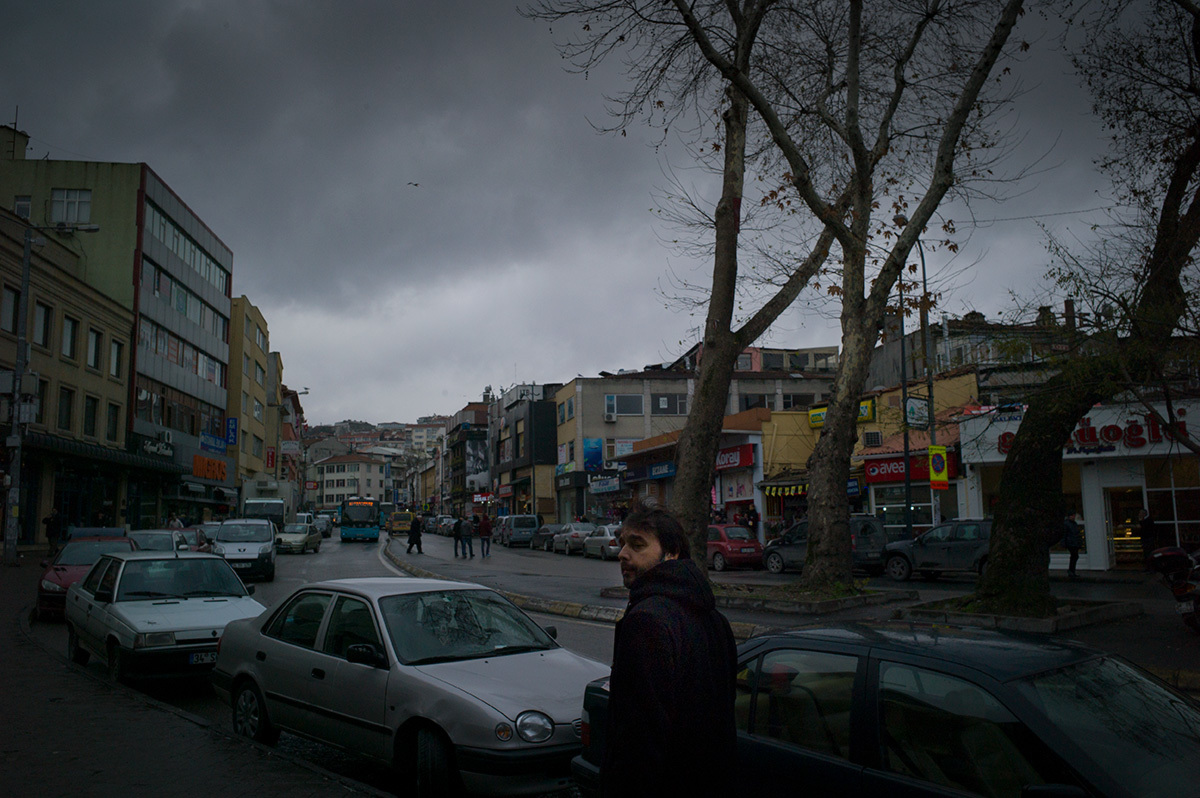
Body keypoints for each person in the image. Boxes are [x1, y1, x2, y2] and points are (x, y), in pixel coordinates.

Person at [602, 502, 737, 798]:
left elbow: (639, 741)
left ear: (672, 554)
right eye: (623, 543)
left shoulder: (646, 622)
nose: (623, 553)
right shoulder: (716, 620)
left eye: (637, 545)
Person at [1062, 511, 1083, 578]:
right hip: (1071, 542)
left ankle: (1071, 571)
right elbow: (1064, 534)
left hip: (1073, 542)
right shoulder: (1068, 524)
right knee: (1074, 556)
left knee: (1074, 556)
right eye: (1072, 516)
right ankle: (1071, 571)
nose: (1073, 517)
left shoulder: (1073, 523)